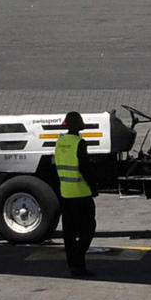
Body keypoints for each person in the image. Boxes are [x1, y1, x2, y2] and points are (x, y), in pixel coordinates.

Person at [53, 110, 96, 277]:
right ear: (79, 124)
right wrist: (93, 187)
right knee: (89, 228)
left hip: (66, 193)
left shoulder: (60, 142)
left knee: (69, 233)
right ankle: (79, 260)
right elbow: (85, 168)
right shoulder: (79, 143)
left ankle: (74, 265)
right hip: (81, 193)